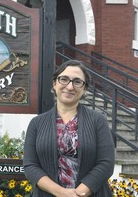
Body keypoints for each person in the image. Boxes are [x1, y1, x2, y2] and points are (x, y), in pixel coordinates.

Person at [23, 60, 115, 197]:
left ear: (84, 88)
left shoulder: (97, 121)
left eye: (77, 82)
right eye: (64, 79)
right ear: (55, 84)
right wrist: (61, 193)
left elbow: (106, 164)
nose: (70, 86)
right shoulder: (37, 123)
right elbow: (31, 166)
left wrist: (78, 194)